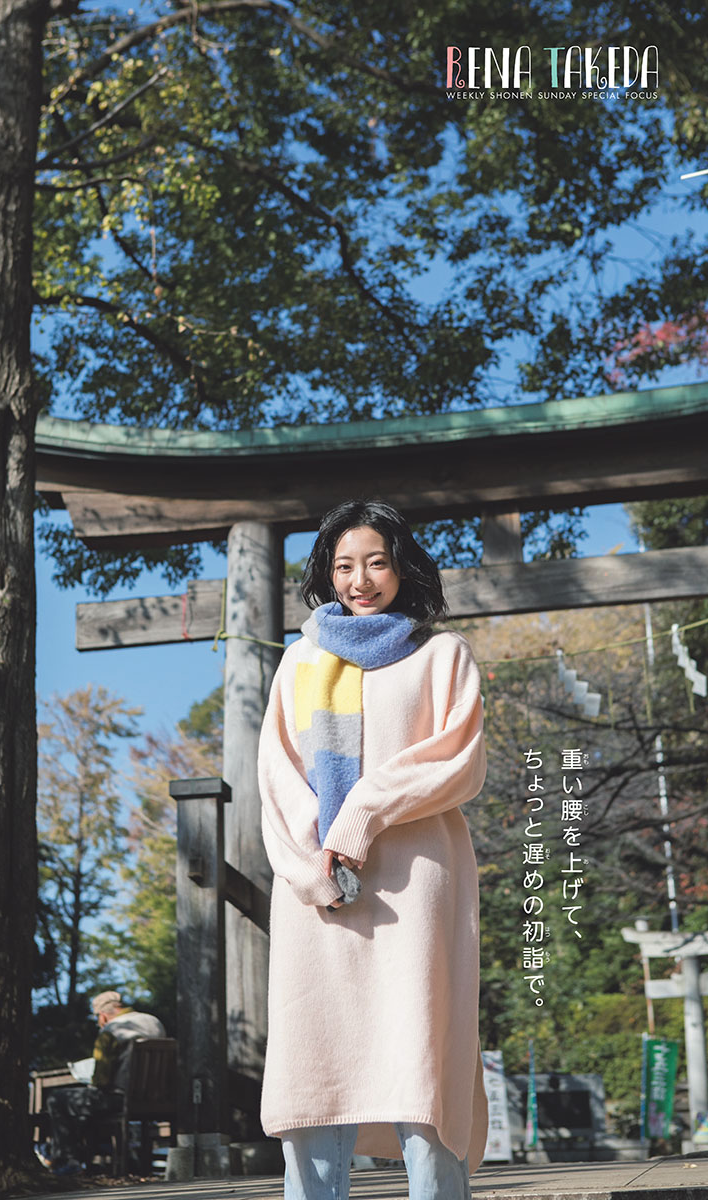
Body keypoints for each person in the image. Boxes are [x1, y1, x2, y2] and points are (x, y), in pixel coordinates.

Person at [257, 499, 488, 1200]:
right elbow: (278, 775)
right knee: (314, 1071)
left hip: (415, 888)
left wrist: (358, 816)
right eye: (344, 565)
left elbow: (456, 762)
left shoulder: (442, 655)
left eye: (376, 562)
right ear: (327, 573)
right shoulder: (299, 661)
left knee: (422, 1062)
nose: (360, 580)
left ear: (403, 566)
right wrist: (314, 868)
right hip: (316, 894)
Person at [46, 990, 166, 1175]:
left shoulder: (109, 1032)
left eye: (97, 1019)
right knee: (86, 1106)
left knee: (58, 1099)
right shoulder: (154, 1022)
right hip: (155, 1098)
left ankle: (66, 1162)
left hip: (121, 1099)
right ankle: (123, 1160)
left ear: (102, 1016)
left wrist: (92, 1082)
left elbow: (101, 1080)